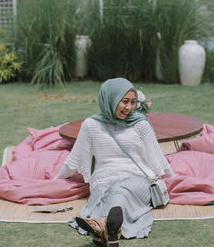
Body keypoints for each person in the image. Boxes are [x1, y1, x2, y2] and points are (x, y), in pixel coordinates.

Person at [55, 78, 175, 247]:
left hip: (138, 180)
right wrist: (55, 181)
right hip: (103, 179)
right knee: (105, 191)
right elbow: (74, 160)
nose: (129, 107)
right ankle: (109, 230)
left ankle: (101, 225)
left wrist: (173, 179)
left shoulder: (140, 124)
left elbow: (156, 158)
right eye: (124, 101)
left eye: (133, 102)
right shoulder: (91, 125)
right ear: (110, 98)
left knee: (120, 189)